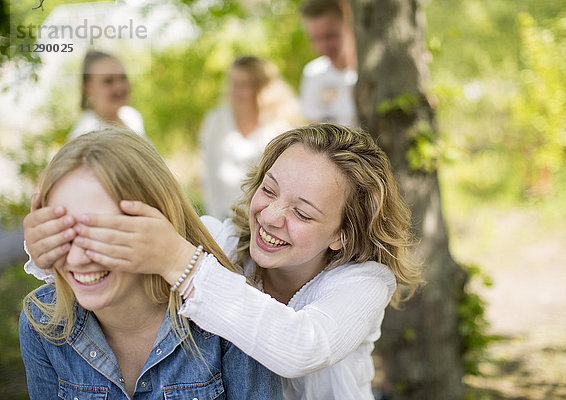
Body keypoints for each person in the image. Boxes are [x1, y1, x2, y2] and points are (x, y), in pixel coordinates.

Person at [24, 124, 422, 399]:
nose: (270, 216)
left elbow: (301, 347)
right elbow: (141, 245)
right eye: (269, 190)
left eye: (302, 213)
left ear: (343, 234)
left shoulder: (364, 282)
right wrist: (50, 250)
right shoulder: (227, 242)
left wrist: (180, 260)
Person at [19, 129, 282, 399]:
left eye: (102, 234)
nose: (76, 258)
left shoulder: (232, 321)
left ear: (155, 224)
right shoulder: (41, 324)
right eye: (62, 233)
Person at [200, 56, 302, 220]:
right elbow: (209, 176)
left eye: (243, 85)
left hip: (265, 218)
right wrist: (216, 219)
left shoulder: (280, 126)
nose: (234, 91)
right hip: (224, 215)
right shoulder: (216, 121)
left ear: (260, 89)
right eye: (232, 83)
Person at [299, 0, 358, 127]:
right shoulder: (313, 73)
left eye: (330, 36)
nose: (323, 46)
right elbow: (314, 126)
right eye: (316, 38)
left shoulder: (371, 70)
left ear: (348, 27)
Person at [69, 50, 145, 139]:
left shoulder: (132, 117)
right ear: (89, 88)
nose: (119, 86)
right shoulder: (85, 136)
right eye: (108, 81)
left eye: (123, 77)